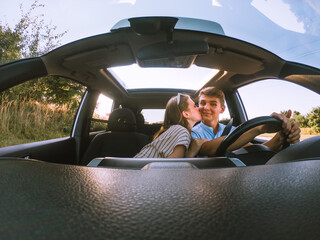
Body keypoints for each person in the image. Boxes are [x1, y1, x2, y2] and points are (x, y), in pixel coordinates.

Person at [191, 87, 301, 156]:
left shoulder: (233, 130)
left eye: (213, 104)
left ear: (222, 109)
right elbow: (208, 149)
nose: (206, 107)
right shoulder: (193, 132)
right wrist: (260, 128)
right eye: (203, 103)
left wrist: (281, 137)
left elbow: (256, 151)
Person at [134, 93, 208, 158]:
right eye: (194, 106)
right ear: (186, 114)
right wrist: (191, 152)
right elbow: (172, 168)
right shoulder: (181, 131)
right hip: (137, 172)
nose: (199, 108)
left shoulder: (176, 130)